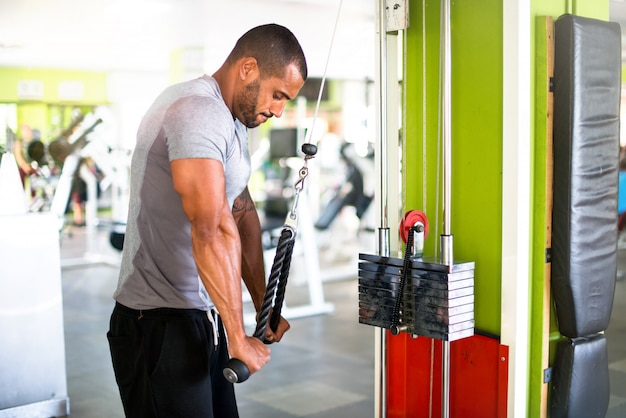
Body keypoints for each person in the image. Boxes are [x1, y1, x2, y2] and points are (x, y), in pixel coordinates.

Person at [107, 24, 307, 417]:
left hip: (201, 317)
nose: (279, 109)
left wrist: (261, 306)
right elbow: (212, 226)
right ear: (247, 68)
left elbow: (240, 210)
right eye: (278, 94)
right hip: (157, 325)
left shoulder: (233, 120)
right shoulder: (196, 110)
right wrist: (238, 338)